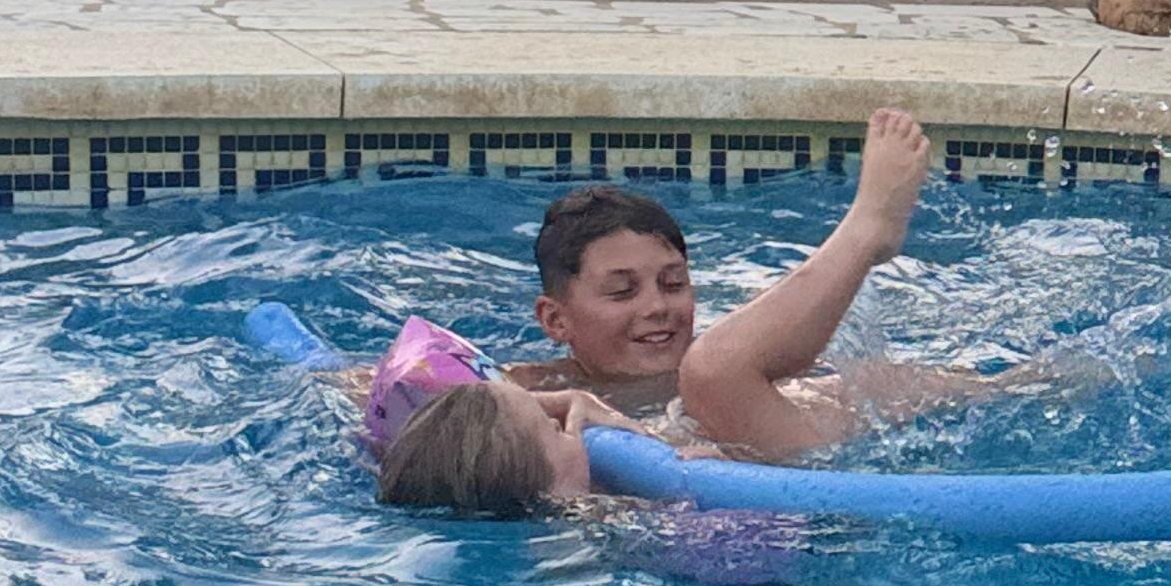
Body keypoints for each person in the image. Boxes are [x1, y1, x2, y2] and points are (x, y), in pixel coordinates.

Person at [376, 107, 1015, 518]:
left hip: (805, 448)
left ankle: (869, 236)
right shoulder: (531, 387)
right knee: (712, 372)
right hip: (771, 498)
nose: (657, 308)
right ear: (555, 320)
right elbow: (390, 391)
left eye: (674, 283)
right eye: (622, 292)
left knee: (713, 372)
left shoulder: (792, 383)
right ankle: (865, 232)